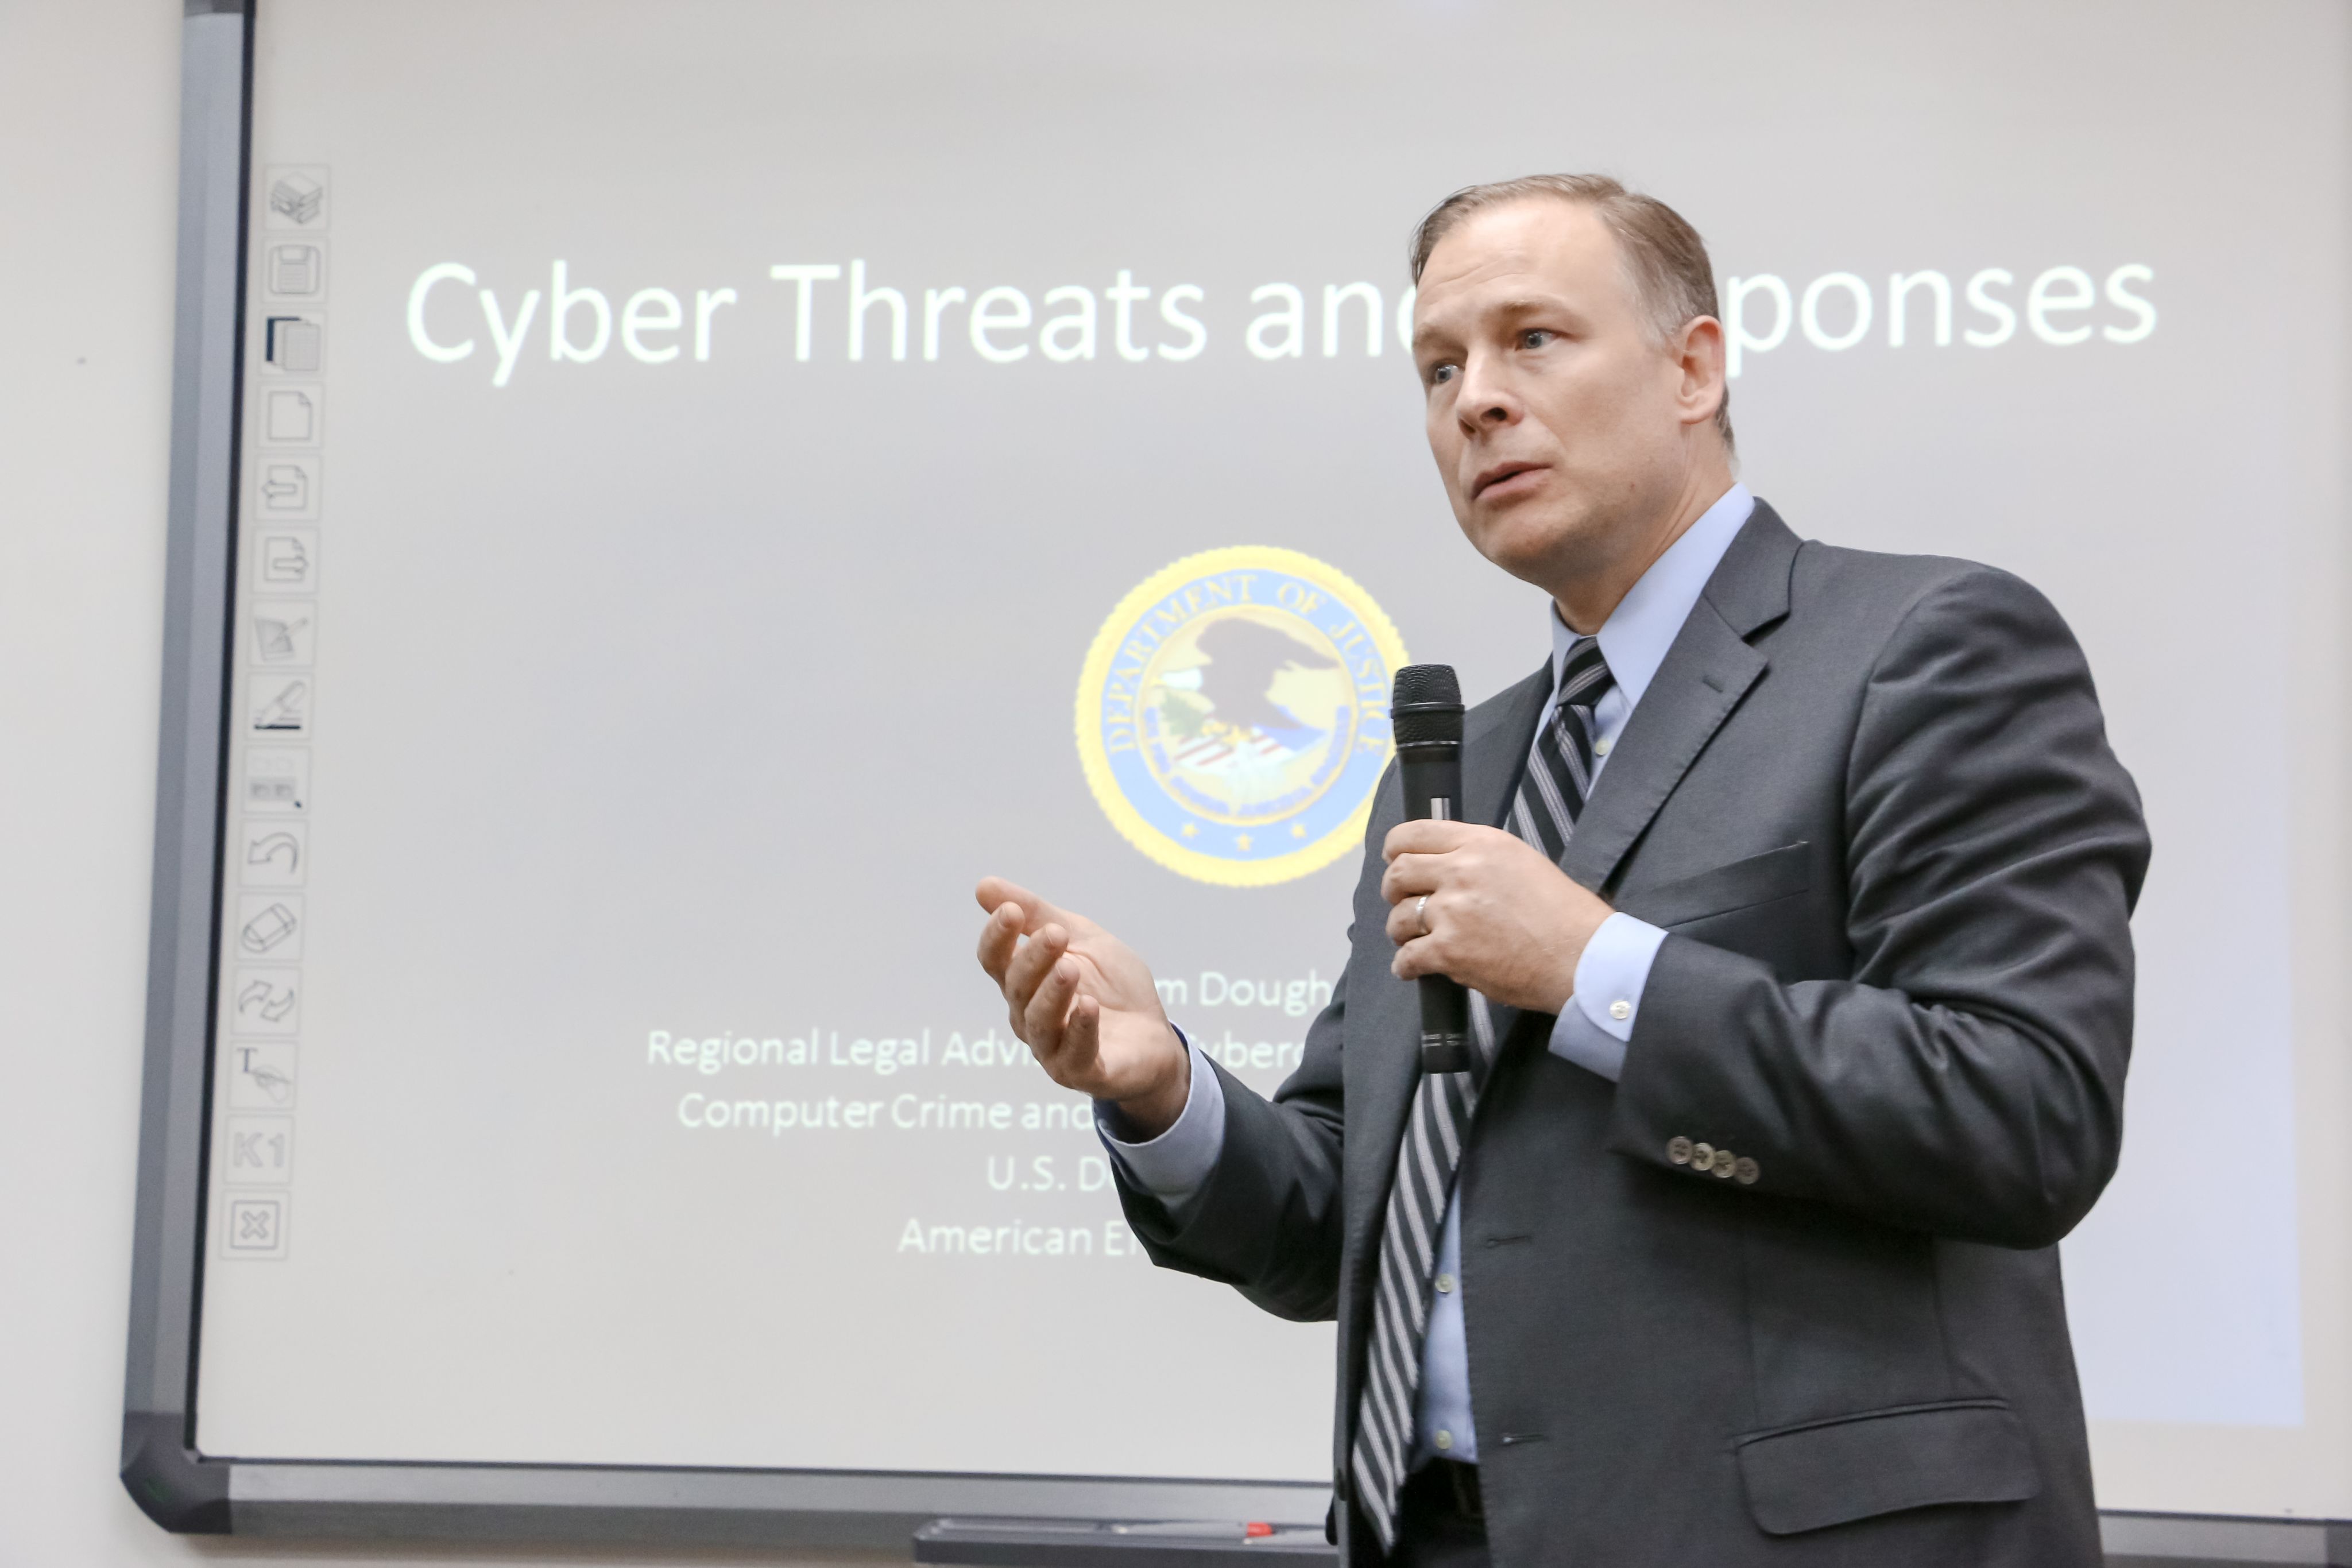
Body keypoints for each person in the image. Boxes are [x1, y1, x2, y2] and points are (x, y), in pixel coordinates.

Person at [974, 173, 2148, 1567]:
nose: (1473, 399)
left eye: (1532, 339)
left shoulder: (1923, 645)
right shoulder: (1459, 764)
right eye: (1436, 366)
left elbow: (2023, 1112)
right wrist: (1162, 1090)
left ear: (1692, 369)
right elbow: (1346, 1224)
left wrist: (1595, 967)